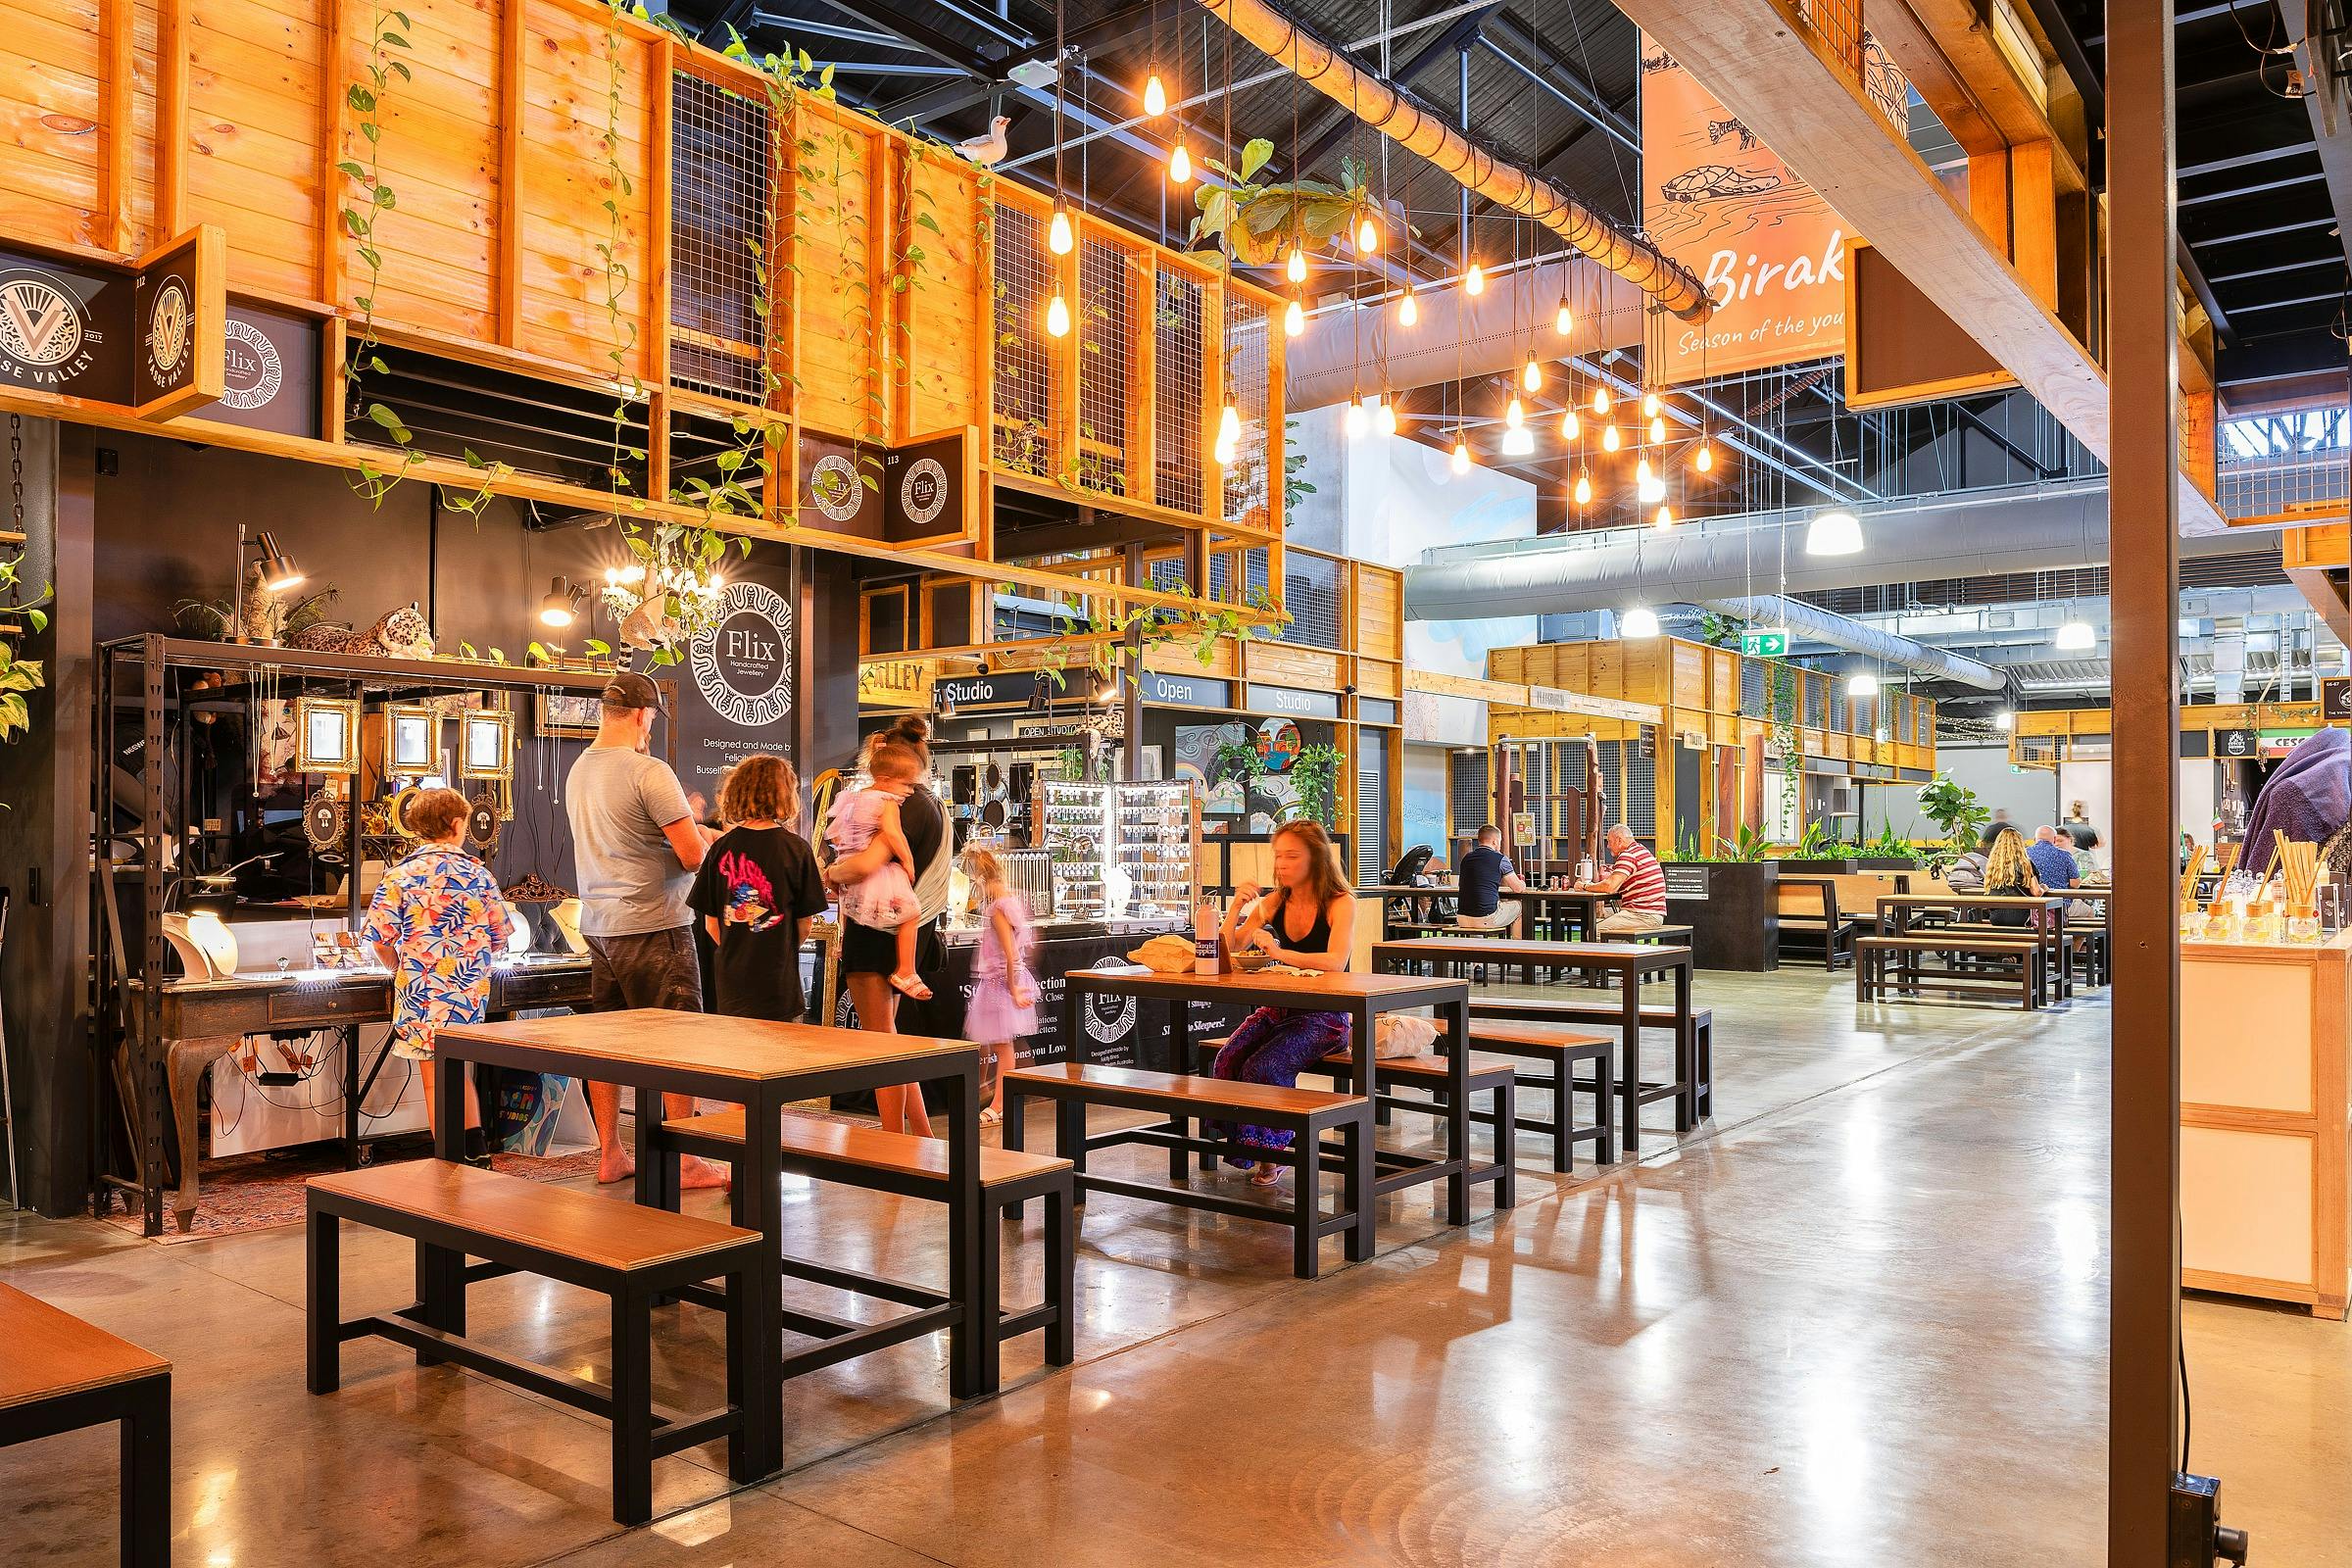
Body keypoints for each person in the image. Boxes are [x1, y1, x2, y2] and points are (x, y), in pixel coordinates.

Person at [564, 670, 725, 1189]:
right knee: (680, 1042)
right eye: (651, 718)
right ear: (640, 715)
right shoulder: (649, 771)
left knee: (607, 1045)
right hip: (655, 924)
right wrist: (714, 838)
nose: (650, 727)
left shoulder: (579, 771)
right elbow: (691, 855)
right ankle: (685, 1159)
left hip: (600, 926)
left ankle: (610, 1152)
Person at [362, 787, 514, 1163]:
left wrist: (399, 966)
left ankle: (449, 1158)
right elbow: (499, 938)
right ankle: (477, 1154)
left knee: (433, 1076)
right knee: (461, 1071)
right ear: (457, 824)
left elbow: (379, 939)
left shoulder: (399, 877)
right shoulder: (480, 876)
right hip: (467, 992)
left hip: (420, 991)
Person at [1210, 819, 1356, 1189]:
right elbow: (1229, 949)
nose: (1282, 864)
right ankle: (1247, 1147)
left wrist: (1280, 952)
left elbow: (1336, 961)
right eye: (1279, 856)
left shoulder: (1341, 902)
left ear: (1317, 858)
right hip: (1281, 1009)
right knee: (1228, 1058)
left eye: (1292, 856)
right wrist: (1235, 910)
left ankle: (1275, 1154)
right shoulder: (1277, 900)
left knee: (1265, 1064)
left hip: (1328, 1017)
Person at [831, 714, 953, 1137]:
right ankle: (919, 1131)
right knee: (891, 1038)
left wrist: (829, 875)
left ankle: (893, 1137)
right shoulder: (934, 805)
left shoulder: (895, 804)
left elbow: (865, 863)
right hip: (907, 927)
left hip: (874, 927)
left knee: (879, 1043)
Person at [689, 755, 828, 1022]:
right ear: (786, 795)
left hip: (731, 985)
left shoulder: (721, 847)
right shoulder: (796, 849)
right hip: (779, 983)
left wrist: (737, 949)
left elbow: (710, 924)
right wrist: (781, 949)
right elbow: (805, 925)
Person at [823, 740, 932, 1002]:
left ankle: (841, 944)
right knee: (911, 912)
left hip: (846, 861)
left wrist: (837, 867)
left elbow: (837, 836)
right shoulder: (887, 802)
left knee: (850, 909)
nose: (909, 791)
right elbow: (894, 834)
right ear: (885, 779)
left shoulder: (853, 798)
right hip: (874, 872)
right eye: (906, 784)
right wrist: (907, 861)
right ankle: (906, 969)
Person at [960, 845, 1037, 1126]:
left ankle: (1000, 1103)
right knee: (985, 1040)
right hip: (998, 981)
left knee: (1003, 1046)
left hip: (1000, 984)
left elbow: (1011, 954)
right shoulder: (1009, 902)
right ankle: (984, 1089)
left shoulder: (998, 911)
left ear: (982, 880)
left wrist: (1014, 986)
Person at [1575, 823, 1667, 934]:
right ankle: (1621, 950)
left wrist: (1585, 886)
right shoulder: (1642, 851)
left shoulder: (1628, 855)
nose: (1608, 846)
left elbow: (1610, 887)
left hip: (1642, 915)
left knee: (1594, 932)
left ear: (1619, 840)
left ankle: (1616, 951)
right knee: (1607, 922)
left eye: (1609, 841)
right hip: (1652, 914)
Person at [1454, 824, 1529, 934]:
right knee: (1521, 907)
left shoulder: (1467, 858)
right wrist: (1522, 883)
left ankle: (1477, 948)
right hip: (1486, 918)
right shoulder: (1501, 859)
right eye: (1499, 841)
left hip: (1462, 918)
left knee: (1485, 908)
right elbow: (1517, 888)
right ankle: (1516, 946)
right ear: (1494, 842)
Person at [1981, 826, 2044, 927]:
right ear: (2019, 844)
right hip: (2022, 916)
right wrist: (2044, 888)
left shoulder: (1993, 865)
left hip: (1996, 917)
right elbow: (2036, 892)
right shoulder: (2025, 864)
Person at [2027, 826, 2080, 896]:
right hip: (2060, 901)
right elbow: (2075, 884)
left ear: (2035, 839)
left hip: (2031, 901)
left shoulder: (2024, 853)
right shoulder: (2064, 855)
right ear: (2054, 839)